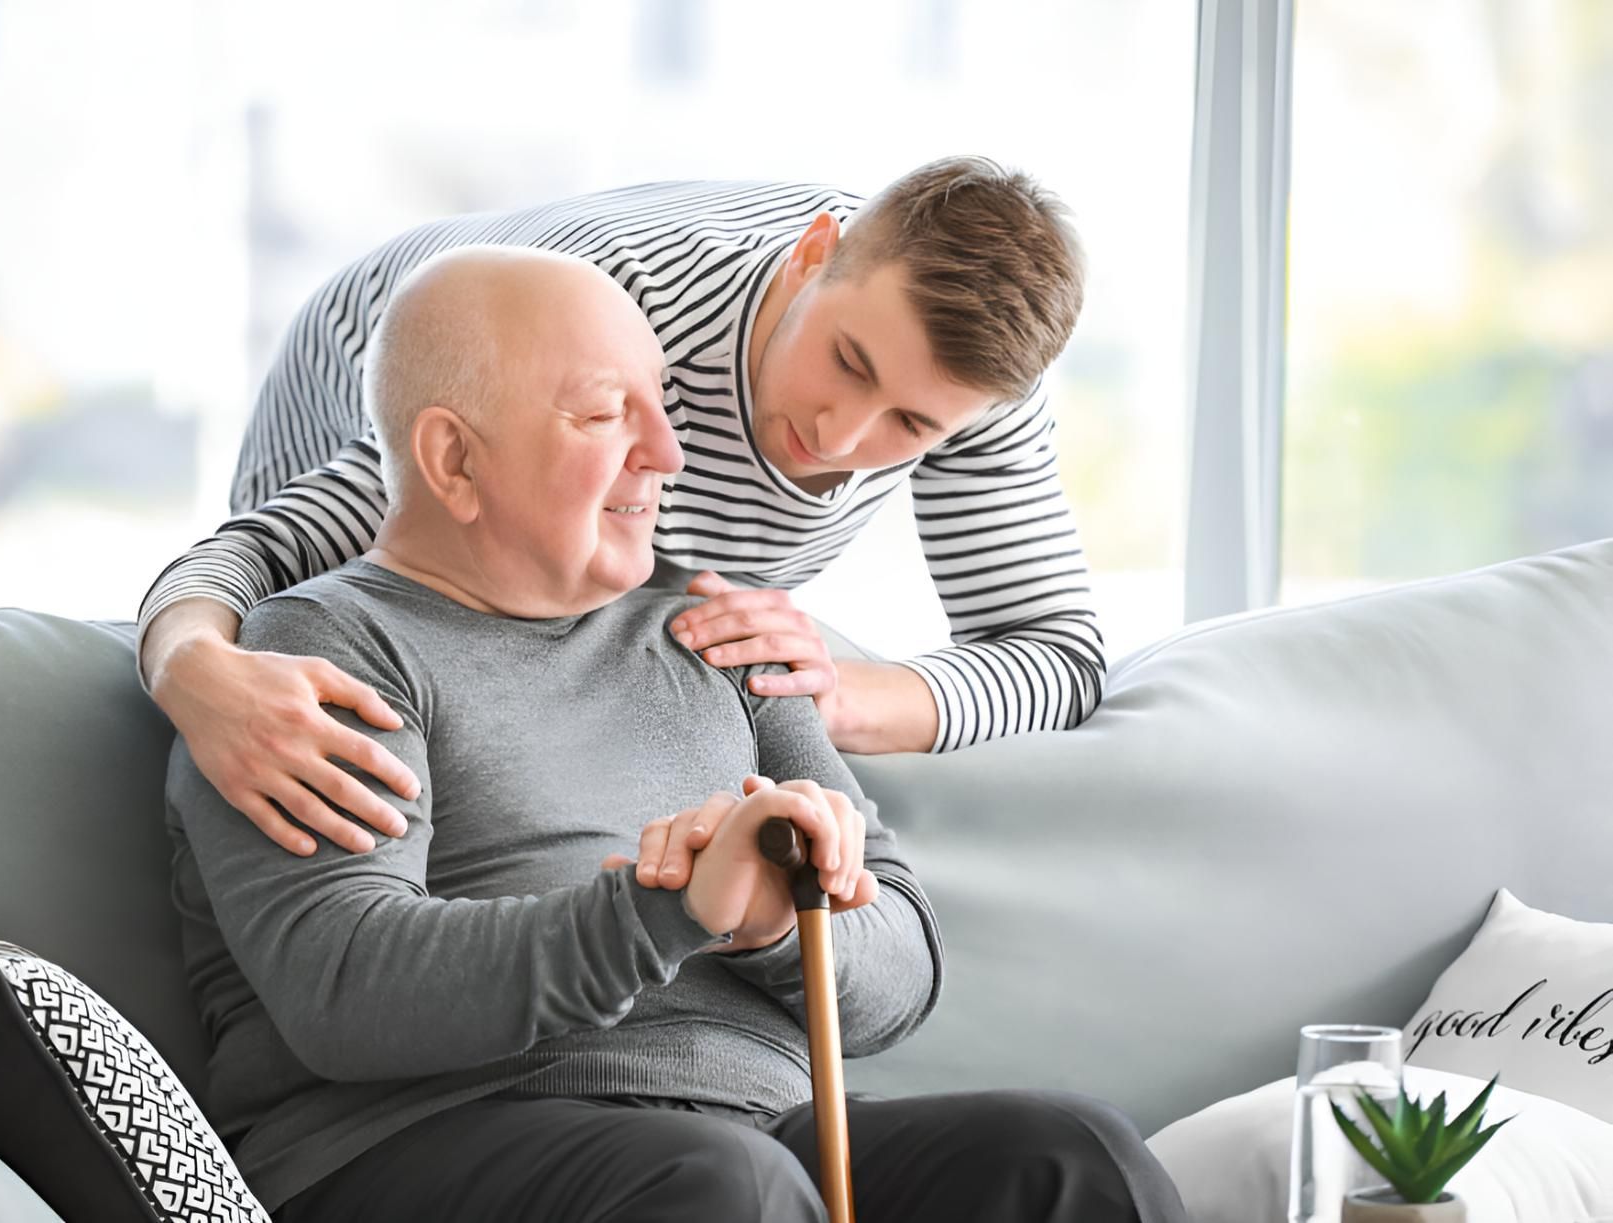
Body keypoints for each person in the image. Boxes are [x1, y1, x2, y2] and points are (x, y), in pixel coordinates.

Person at [164, 247, 1186, 1222]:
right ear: (452, 458)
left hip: (746, 1138)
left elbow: (900, 965)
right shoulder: (314, 657)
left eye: (660, 402)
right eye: (609, 413)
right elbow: (347, 989)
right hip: (419, 1140)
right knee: (729, 1189)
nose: (667, 452)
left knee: (1071, 1161)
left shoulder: (717, 631)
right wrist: (673, 908)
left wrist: (777, 920)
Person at [144, 157, 1109, 858]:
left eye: (909, 422)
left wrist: (849, 695)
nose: (843, 435)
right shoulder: (623, 320)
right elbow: (257, 553)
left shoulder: (979, 382)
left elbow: (1057, 654)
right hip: (384, 344)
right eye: (848, 363)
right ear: (814, 255)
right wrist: (193, 669)